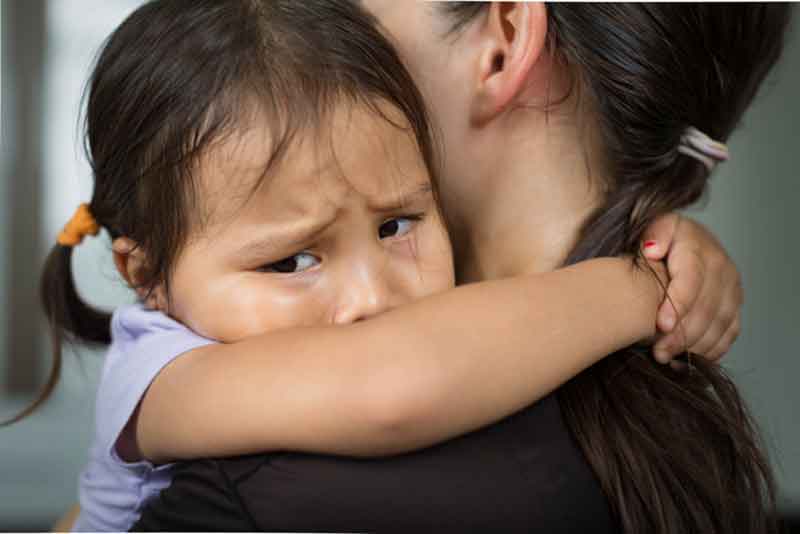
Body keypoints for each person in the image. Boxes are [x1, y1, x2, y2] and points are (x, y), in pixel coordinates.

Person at [25, 0, 728, 531]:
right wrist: (639, 284)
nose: (373, 299)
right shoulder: (155, 373)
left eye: (396, 226)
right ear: (148, 279)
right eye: (292, 260)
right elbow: (393, 388)